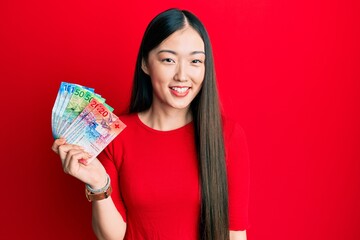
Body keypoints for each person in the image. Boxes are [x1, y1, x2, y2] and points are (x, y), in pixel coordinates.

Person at [52, 8, 250, 240]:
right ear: (145, 64)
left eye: (195, 61)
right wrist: (99, 183)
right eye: (168, 60)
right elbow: (112, 237)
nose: (182, 75)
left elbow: (235, 234)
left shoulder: (227, 135)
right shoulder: (115, 136)